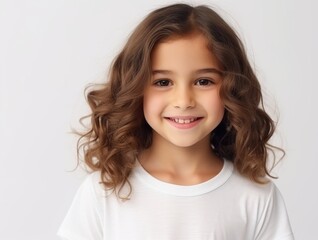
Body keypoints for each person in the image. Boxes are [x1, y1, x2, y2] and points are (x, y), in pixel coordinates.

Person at [58, 3, 294, 240]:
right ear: (135, 88)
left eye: (203, 81)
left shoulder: (255, 195)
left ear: (233, 88)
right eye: (163, 82)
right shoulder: (104, 190)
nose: (183, 101)